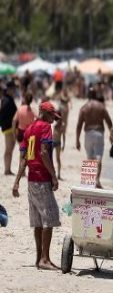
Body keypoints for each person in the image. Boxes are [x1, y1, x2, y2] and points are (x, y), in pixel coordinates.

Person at [12, 101, 62, 270]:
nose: (53, 121)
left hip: (31, 180)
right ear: (43, 113)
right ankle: (45, 259)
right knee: (49, 218)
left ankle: (38, 258)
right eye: (51, 116)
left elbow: (24, 158)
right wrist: (54, 177)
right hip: (42, 179)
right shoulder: (45, 128)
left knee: (38, 221)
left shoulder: (28, 130)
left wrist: (17, 181)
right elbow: (44, 153)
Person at [76, 88, 113, 188]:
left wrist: (77, 140)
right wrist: (112, 134)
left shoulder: (84, 107)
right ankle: (97, 179)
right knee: (98, 157)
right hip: (99, 133)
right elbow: (109, 122)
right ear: (96, 95)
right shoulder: (101, 106)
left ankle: (89, 182)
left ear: (88, 96)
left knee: (89, 157)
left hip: (88, 134)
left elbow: (79, 125)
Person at [0, 81, 17, 175]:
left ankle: (8, 169)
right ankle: (7, 170)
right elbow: (2, 114)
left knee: (10, 149)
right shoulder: (7, 100)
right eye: (13, 89)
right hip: (8, 128)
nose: (15, 90)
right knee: (8, 150)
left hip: (10, 128)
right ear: (10, 89)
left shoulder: (8, 98)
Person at [52, 110, 64, 180]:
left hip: (58, 142)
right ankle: (53, 173)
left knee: (58, 159)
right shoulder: (54, 122)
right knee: (51, 159)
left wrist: (64, 144)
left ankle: (59, 174)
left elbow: (64, 135)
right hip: (53, 142)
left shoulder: (61, 124)